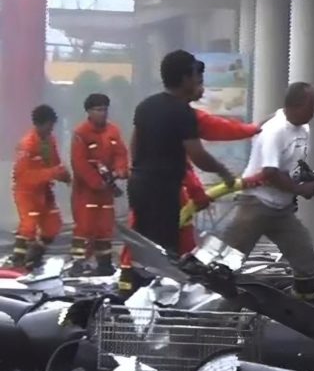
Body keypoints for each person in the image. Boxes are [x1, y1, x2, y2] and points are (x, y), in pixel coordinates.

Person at [117, 109, 261, 294]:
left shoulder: (150, 137)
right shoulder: (175, 134)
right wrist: (251, 130)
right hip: (169, 205)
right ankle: (172, 287)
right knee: (177, 250)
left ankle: (133, 288)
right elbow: (188, 169)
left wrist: (251, 130)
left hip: (148, 202)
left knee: (141, 244)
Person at [220, 82, 314, 302]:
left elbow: (292, 168)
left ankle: (304, 305)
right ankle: (214, 307)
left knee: (304, 258)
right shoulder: (275, 130)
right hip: (256, 206)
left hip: (281, 210)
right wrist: (301, 190)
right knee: (228, 261)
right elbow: (270, 173)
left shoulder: (304, 129)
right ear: (295, 106)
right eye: (311, 106)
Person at [129, 50, 234, 256]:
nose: (198, 80)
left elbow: (134, 145)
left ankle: (137, 275)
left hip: (139, 185)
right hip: (163, 190)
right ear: (185, 78)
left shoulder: (145, 106)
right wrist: (223, 172)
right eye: (195, 75)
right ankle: (159, 277)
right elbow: (198, 155)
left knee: (144, 246)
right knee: (165, 248)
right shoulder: (183, 112)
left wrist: (139, 172)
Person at [69, 93, 129, 275]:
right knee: (85, 228)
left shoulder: (113, 131)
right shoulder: (81, 133)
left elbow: (121, 154)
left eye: (105, 109)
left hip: (106, 190)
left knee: (105, 228)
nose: (102, 113)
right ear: (88, 111)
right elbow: (79, 163)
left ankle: (104, 265)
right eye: (98, 110)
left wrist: (120, 171)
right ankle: (78, 264)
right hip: (86, 192)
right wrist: (97, 182)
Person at [10, 105, 71, 270]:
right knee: (28, 226)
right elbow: (23, 176)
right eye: (49, 125)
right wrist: (52, 173)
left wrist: (64, 176)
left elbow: (55, 162)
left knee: (53, 225)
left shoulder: (50, 141)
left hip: (44, 190)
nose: (51, 129)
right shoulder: (27, 145)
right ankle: (18, 260)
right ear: (40, 124)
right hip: (26, 192)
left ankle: (34, 256)